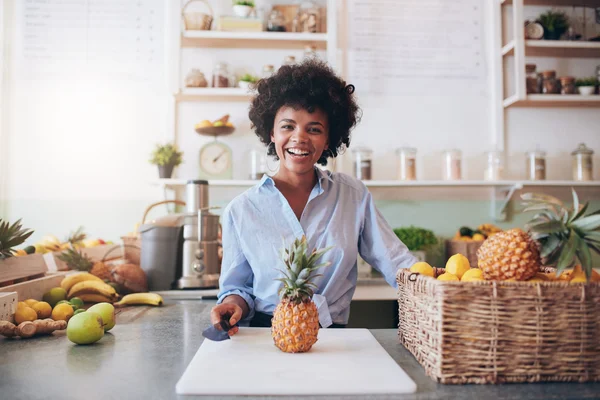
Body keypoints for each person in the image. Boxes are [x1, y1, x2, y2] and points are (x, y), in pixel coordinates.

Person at [210, 59, 417, 336]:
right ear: (271, 133)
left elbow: (396, 261)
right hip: (266, 335)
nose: (300, 138)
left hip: (335, 335)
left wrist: (441, 282)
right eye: (288, 126)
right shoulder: (241, 209)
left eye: (314, 128)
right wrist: (232, 304)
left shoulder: (352, 196)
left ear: (329, 139)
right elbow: (238, 288)